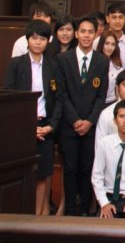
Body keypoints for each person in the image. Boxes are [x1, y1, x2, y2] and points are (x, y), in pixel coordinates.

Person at [5, 19, 62, 216]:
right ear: (27, 39)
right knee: (20, 174)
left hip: (45, 127)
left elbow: (59, 98)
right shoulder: (16, 64)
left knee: (43, 174)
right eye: (34, 38)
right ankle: (19, 216)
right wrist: (27, 127)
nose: (38, 42)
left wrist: (51, 126)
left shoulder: (53, 66)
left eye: (42, 39)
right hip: (21, 127)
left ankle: (37, 218)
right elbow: (10, 97)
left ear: (48, 41)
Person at [57, 15, 108, 216]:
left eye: (90, 32)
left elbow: (101, 96)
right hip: (69, 125)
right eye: (83, 31)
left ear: (96, 34)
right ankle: (70, 210)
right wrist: (75, 120)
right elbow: (61, 94)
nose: (87, 35)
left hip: (91, 126)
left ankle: (85, 210)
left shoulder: (101, 61)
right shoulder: (63, 59)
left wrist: (89, 121)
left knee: (88, 168)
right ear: (76, 34)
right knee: (70, 169)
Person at [97, 3, 125, 70]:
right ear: (107, 19)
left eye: (120, 17)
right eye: (114, 17)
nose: (117, 21)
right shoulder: (98, 41)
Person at [97, 30, 124, 105]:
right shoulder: (94, 62)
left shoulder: (117, 67)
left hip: (111, 103)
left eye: (113, 44)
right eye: (107, 43)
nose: (110, 47)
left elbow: (118, 91)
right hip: (95, 104)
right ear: (102, 44)